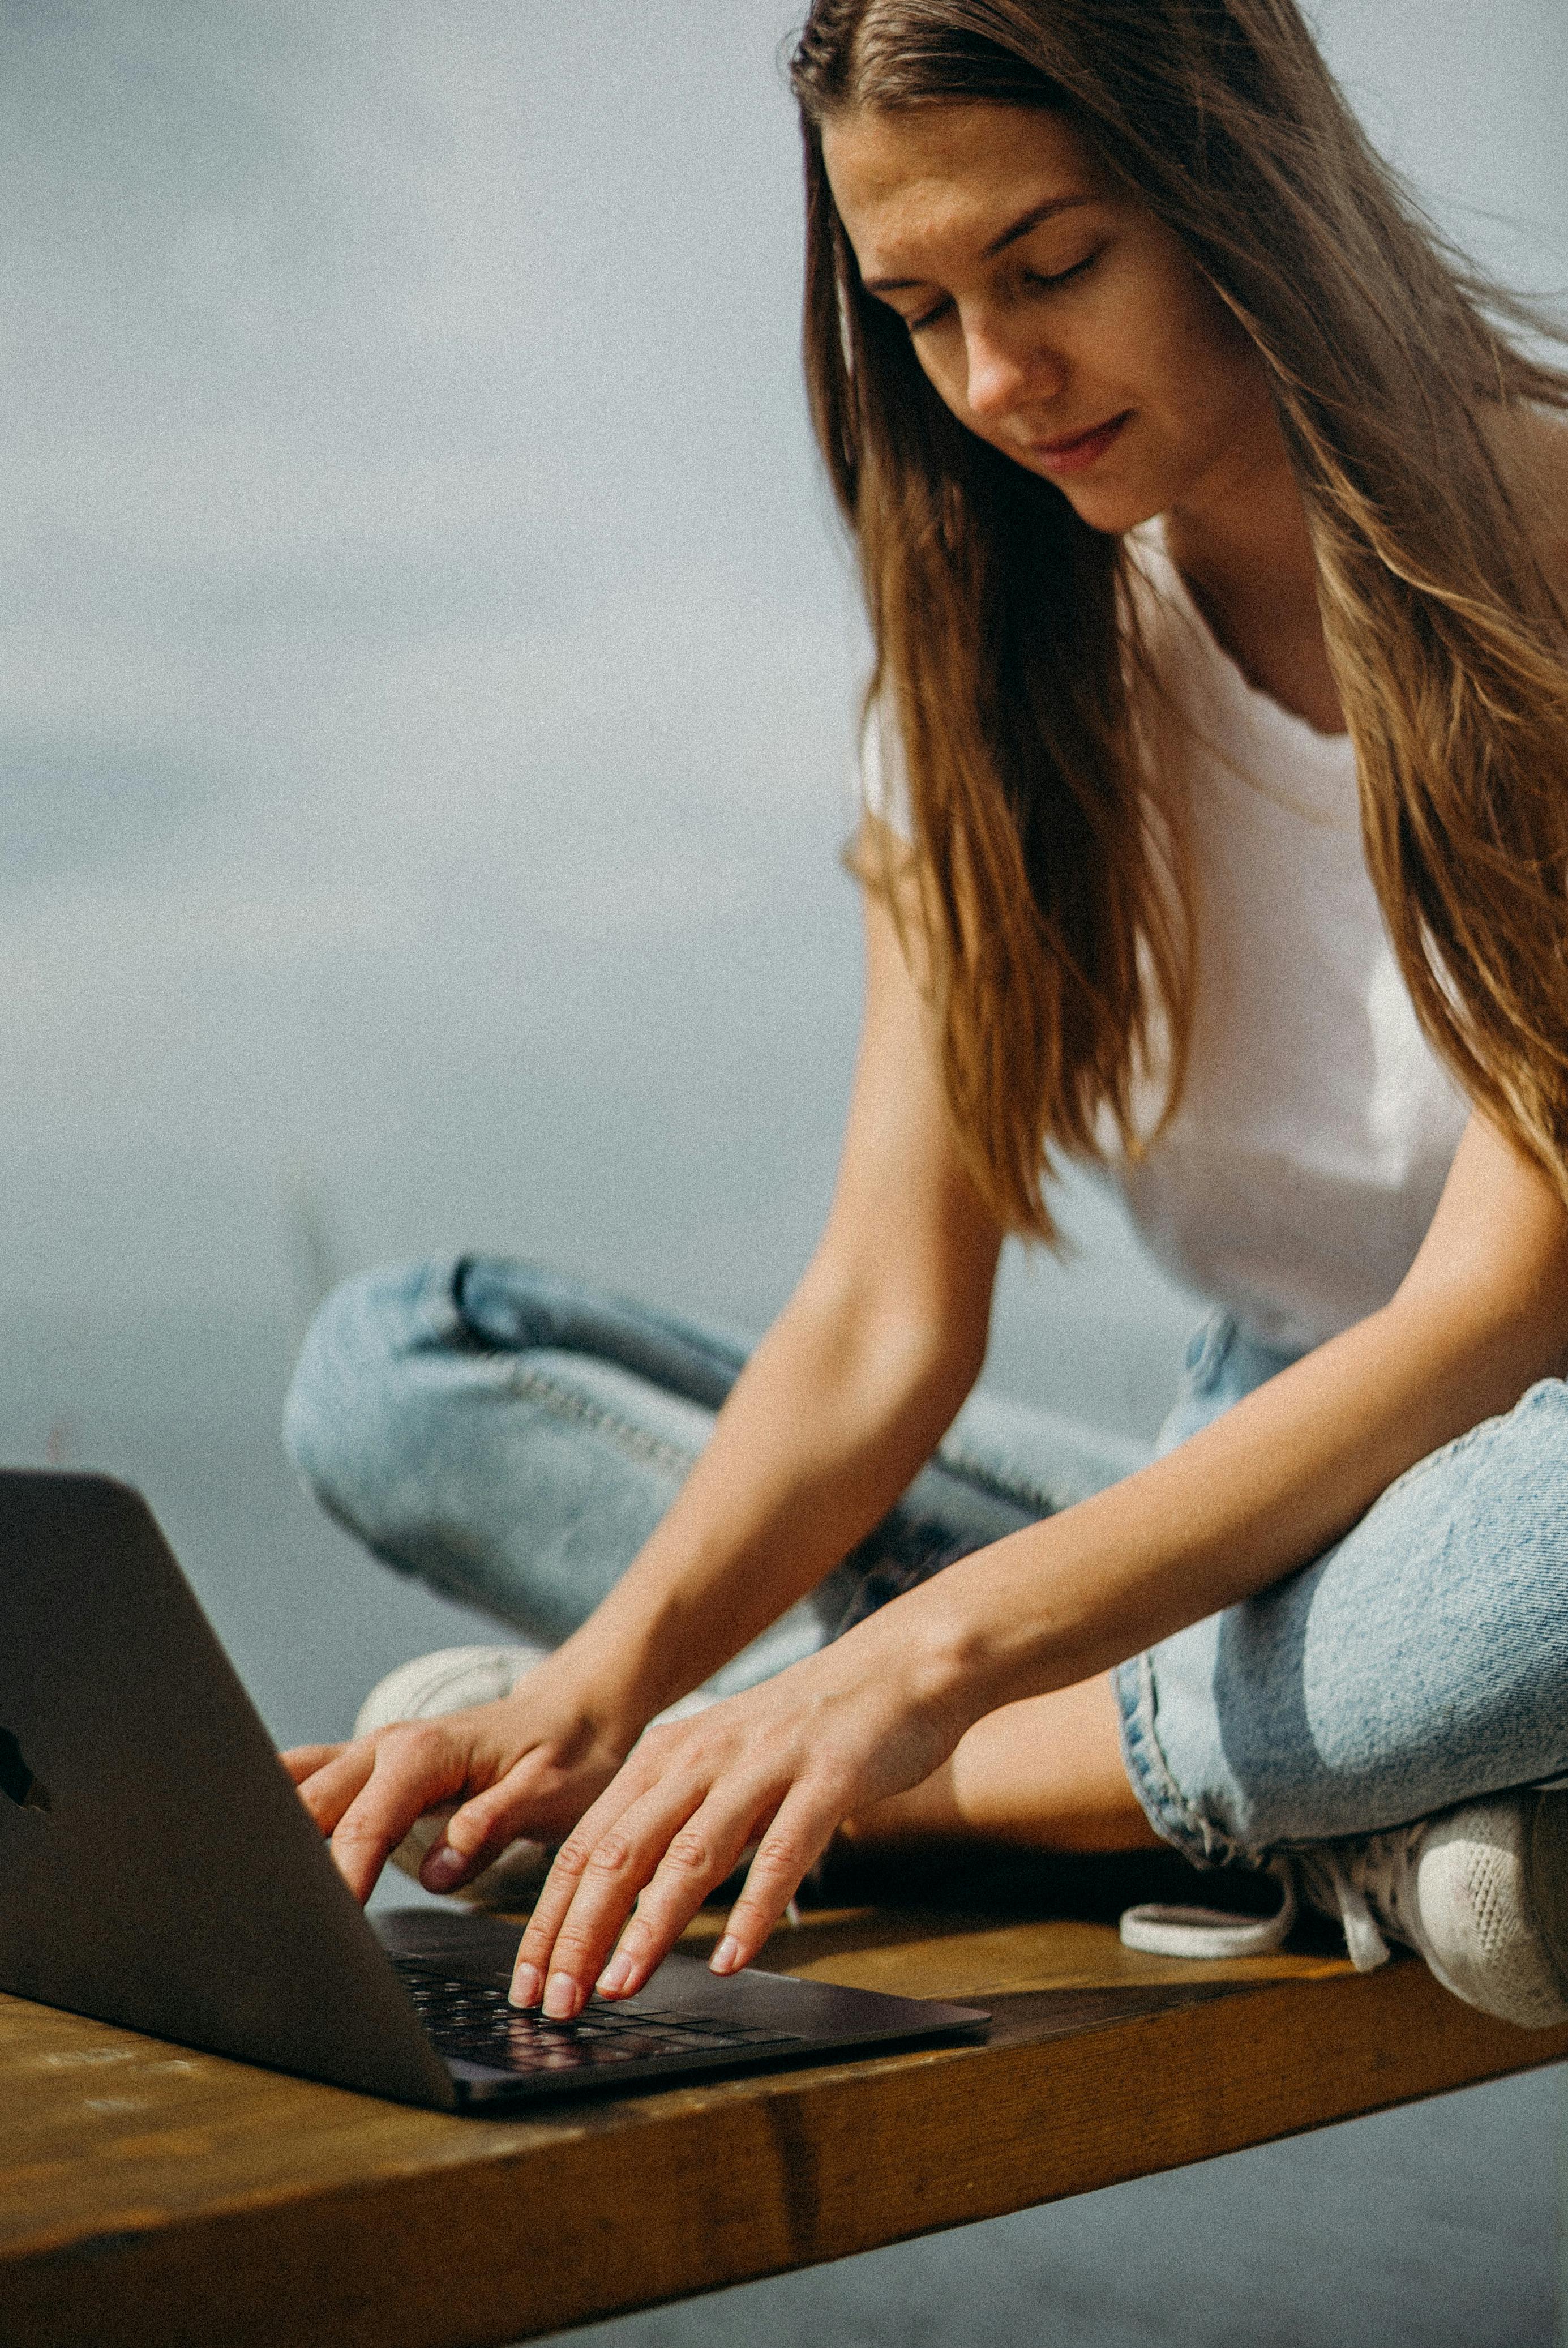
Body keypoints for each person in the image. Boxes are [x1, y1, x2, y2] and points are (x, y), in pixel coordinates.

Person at [281, 0, 1568, 2033]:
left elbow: (1498, 1309)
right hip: (1216, 1521)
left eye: (1054, 267)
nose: (995, 376)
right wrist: (592, 1675)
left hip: (1508, 1460)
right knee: (391, 1365)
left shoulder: (1550, 566)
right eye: (918, 308)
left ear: (1244, 184)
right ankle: (1342, 1797)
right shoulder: (1001, 672)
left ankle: (852, 1797)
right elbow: (889, 1318)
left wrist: (891, 1682)